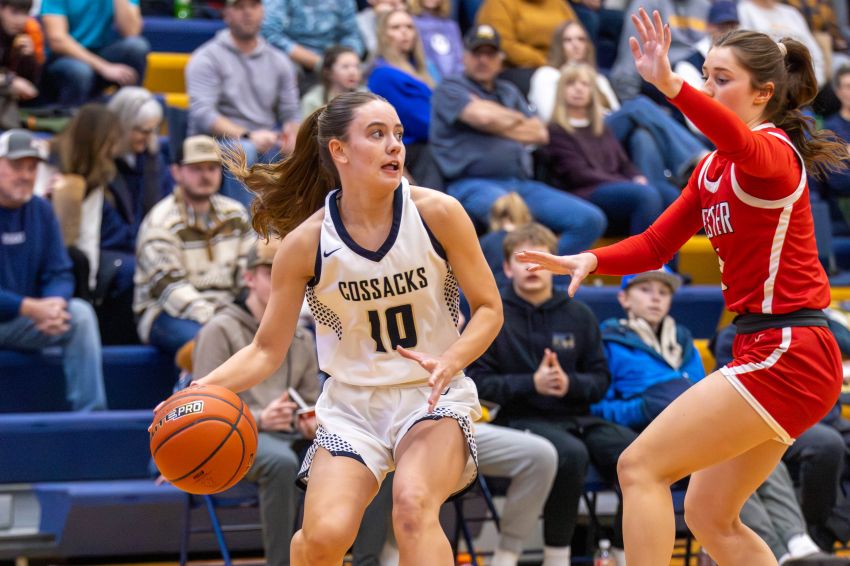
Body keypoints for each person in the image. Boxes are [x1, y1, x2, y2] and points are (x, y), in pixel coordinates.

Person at [516, 11, 849, 564]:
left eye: (722, 79)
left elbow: (737, 139)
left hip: (790, 348)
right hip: (766, 348)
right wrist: (591, 258)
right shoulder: (711, 169)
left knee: (639, 467)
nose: (708, 88)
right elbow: (654, 245)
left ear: (763, 93)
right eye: (705, 77)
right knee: (709, 514)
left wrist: (671, 85)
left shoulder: (772, 154)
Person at [192, 91, 503, 565]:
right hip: (353, 407)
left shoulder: (438, 213)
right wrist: (199, 390)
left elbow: (489, 309)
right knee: (322, 538)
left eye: (398, 134)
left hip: (432, 395)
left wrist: (451, 359)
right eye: (376, 134)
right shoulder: (305, 244)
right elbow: (265, 350)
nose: (394, 145)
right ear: (338, 150)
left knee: (413, 507)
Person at [596, 268, 846, 565]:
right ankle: (784, 548)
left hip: (694, 425)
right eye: (645, 290)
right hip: (642, 427)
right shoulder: (609, 341)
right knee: (696, 493)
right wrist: (642, 408)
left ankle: (797, 541)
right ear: (623, 298)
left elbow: (699, 389)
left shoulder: (683, 340)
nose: (655, 298)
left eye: (663, 292)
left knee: (739, 478)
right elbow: (597, 403)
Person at [468, 223, 638, 566]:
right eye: (522, 260)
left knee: (635, 454)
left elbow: (600, 380)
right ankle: (556, 557)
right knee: (571, 454)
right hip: (518, 418)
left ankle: (626, 554)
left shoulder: (579, 313)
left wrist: (568, 384)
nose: (532, 268)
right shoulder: (492, 314)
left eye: (540, 260)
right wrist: (532, 383)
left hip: (577, 417)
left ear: (556, 266)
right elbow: (477, 383)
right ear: (506, 268)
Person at [192, 237, 320, 566]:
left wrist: (310, 420)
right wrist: (260, 418)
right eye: (270, 272)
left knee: (357, 452)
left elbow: (310, 400)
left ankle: (366, 559)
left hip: (290, 434)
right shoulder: (219, 329)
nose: (281, 280)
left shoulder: (302, 335)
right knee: (281, 463)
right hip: (235, 436)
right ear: (249, 278)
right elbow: (202, 409)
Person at [430, 24, 607, 255]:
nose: (483, 60)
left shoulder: (508, 91)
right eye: (477, 53)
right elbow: (482, 117)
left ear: (500, 59)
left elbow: (539, 133)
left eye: (490, 54)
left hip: (520, 183)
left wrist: (491, 117)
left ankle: (546, 270)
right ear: (464, 56)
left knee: (590, 220)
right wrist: (514, 119)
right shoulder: (450, 88)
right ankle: (511, 274)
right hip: (472, 184)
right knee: (513, 215)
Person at [528, 20, 708, 188]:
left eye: (581, 39)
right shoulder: (547, 74)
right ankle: (699, 157)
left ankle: (655, 196)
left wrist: (601, 113)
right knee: (638, 106)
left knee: (642, 135)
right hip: (573, 137)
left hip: (605, 135)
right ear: (558, 45)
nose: (575, 44)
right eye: (568, 40)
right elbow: (552, 117)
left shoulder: (598, 78)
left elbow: (615, 111)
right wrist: (593, 112)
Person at [0, 129, 107, 411]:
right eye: (17, 166)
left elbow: (59, 271)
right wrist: (29, 308)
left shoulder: (41, 210)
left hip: (25, 321)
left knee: (80, 315)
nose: (25, 175)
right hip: (23, 314)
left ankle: (90, 419)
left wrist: (54, 305)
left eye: (32, 168)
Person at [134, 135, 254, 359]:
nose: (205, 176)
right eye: (196, 169)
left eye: (212, 168)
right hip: (167, 313)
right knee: (212, 343)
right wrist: (219, 320)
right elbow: (169, 288)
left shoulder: (235, 214)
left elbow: (248, 274)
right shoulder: (160, 222)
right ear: (176, 172)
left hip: (226, 310)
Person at [185, 0, 300, 209]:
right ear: (226, 13)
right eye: (239, 7)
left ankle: (290, 222)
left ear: (263, 11)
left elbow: (291, 113)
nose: (247, 12)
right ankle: (244, 223)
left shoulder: (279, 61)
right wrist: (248, 135)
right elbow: (203, 113)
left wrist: (291, 136)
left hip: (265, 140)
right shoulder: (206, 57)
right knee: (243, 150)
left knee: (306, 146)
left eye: (253, 6)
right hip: (217, 142)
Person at [543, 62, 677, 235]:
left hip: (617, 184)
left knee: (669, 194)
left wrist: (636, 176)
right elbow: (578, 174)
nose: (578, 89)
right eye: (571, 84)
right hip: (586, 192)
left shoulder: (601, 128)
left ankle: (672, 254)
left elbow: (624, 163)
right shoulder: (556, 130)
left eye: (585, 84)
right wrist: (624, 182)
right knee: (645, 195)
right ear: (561, 90)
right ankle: (644, 252)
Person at [367, 8, 440, 186]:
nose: (404, 32)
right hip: (412, 152)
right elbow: (421, 124)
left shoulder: (425, 69)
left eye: (409, 26)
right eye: (396, 27)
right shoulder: (383, 74)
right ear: (383, 35)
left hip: (434, 145)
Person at [40, 0, 149, 107]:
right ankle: (71, 115)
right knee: (80, 71)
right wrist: (103, 67)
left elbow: (132, 32)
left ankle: (131, 109)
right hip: (65, 57)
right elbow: (57, 41)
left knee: (136, 47)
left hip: (103, 52)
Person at [474, 0, 577, 94]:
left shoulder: (559, 3)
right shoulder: (498, 3)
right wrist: (546, 63)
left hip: (559, 64)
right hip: (517, 68)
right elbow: (504, 44)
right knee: (552, 82)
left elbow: (575, 31)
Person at [261, 0, 365, 92]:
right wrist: (319, 63)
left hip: (336, 57)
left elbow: (352, 34)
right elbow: (269, 32)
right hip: (296, 61)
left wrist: (346, 62)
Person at [0, 0, 42, 127]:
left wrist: (28, 58)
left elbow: (32, 85)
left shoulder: (27, 32)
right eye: (14, 12)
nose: (20, 20)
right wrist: (9, 81)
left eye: (25, 13)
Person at [300, 45, 367, 118]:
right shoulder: (313, 101)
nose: (353, 72)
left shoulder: (365, 96)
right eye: (345, 67)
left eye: (357, 66)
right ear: (328, 72)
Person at [408, 0, 464, 80]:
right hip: (426, 78)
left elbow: (459, 57)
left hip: (453, 81)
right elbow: (419, 57)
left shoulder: (451, 25)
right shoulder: (412, 22)